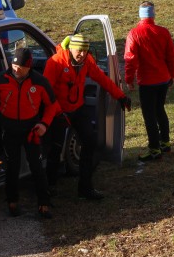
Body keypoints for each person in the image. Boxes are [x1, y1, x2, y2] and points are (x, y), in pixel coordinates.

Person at [0, 48, 57, 219]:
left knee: (37, 167)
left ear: (29, 67)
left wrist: (44, 124)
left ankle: (44, 204)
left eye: (20, 67)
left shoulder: (39, 82)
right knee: (12, 167)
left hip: (32, 130)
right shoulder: (2, 79)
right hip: (9, 130)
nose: (16, 69)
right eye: (14, 65)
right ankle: (12, 203)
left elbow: (52, 105)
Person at [43, 34, 131, 200]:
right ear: (70, 48)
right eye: (79, 50)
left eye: (85, 50)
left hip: (77, 107)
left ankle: (85, 187)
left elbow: (102, 79)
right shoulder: (55, 62)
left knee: (90, 142)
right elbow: (46, 93)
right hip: (58, 111)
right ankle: (50, 186)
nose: (82, 54)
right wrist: (58, 112)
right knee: (55, 148)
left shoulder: (87, 61)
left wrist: (120, 96)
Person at [124, 2, 174, 160]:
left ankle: (154, 149)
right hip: (163, 79)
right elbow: (172, 56)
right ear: (153, 14)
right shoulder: (163, 32)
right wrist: (171, 75)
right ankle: (165, 143)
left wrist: (129, 79)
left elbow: (130, 59)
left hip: (147, 82)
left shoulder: (134, 33)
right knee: (160, 110)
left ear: (140, 15)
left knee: (149, 116)